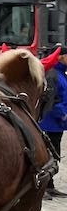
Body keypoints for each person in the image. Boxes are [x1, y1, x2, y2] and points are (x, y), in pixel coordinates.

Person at [39, 55, 67, 199]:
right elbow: (51, 99)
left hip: (58, 123)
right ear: (61, 57)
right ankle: (42, 186)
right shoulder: (52, 74)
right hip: (49, 121)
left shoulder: (62, 73)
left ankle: (50, 185)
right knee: (46, 154)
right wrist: (62, 114)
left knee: (54, 154)